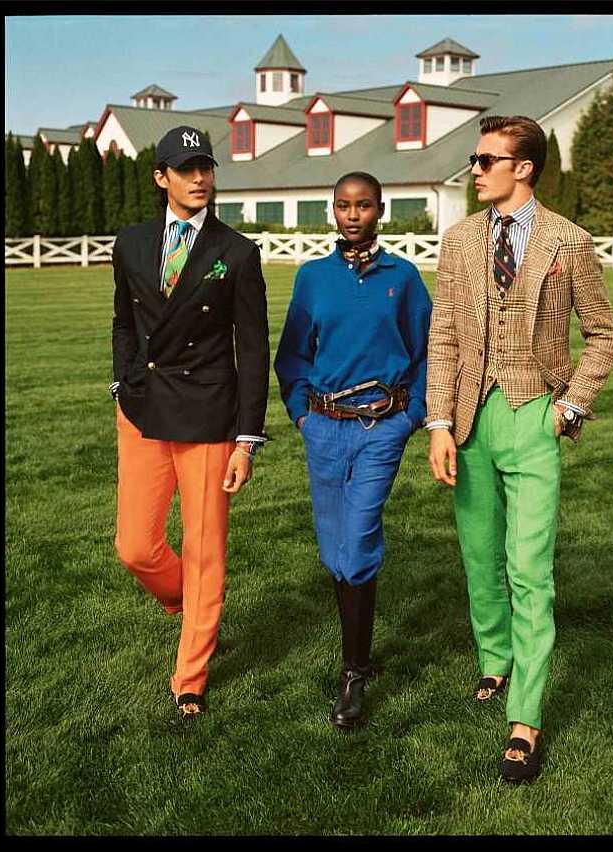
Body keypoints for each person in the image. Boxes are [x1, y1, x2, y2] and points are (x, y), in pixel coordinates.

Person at [425, 116, 613, 782]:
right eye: (476, 160)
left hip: (536, 413)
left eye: (486, 160)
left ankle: (525, 718)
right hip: (470, 418)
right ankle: (494, 656)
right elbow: (444, 337)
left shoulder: (569, 241)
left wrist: (571, 405)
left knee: (529, 568)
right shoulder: (459, 240)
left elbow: (603, 334)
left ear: (523, 168)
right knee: (480, 555)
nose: (475, 170)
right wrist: (439, 423)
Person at [109, 125, 270, 720]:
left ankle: (191, 677)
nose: (199, 177)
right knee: (135, 545)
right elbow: (124, 322)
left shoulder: (237, 252)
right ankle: (191, 603)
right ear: (162, 178)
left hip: (208, 414)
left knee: (204, 551)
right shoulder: (131, 243)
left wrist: (246, 439)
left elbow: (253, 349)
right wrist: (122, 381)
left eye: (205, 166)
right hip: (143, 410)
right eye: (185, 169)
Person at [274, 171, 432, 727]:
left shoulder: (403, 277)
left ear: (380, 210)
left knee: (359, 534)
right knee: (334, 547)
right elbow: (292, 354)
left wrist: (411, 415)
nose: (353, 215)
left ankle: (353, 675)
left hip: (381, 428)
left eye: (363, 205)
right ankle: (358, 656)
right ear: (332, 211)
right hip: (324, 426)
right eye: (343, 205)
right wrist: (301, 414)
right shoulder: (313, 278)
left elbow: (427, 351)